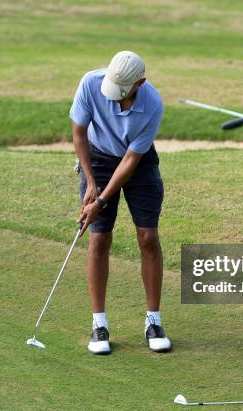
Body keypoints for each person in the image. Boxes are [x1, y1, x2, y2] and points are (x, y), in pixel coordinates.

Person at [70, 51, 171, 355]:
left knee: (148, 237)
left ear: (140, 82)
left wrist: (101, 199)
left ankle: (153, 321)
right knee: (99, 238)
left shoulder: (152, 104)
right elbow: (78, 132)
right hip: (97, 158)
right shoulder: (90, 83)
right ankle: (98, 325)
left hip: (137, 164)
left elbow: (130, 160)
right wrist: (89, 180)